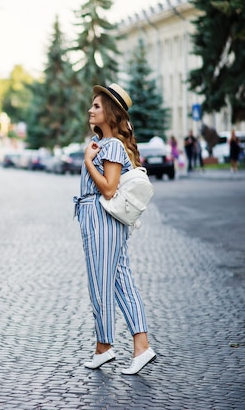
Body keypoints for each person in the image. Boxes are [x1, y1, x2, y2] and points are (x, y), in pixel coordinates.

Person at [74, 83, 156, 375]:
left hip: (101, 218)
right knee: (122, 281)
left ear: (109, 112)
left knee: (101, 283)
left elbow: (108, 189)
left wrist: (88, 161)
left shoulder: (111, 146)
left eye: (96, 106)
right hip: (98, 218)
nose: (90, 110)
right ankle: (141, 346)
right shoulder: (107, 144)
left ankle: (104, 347)